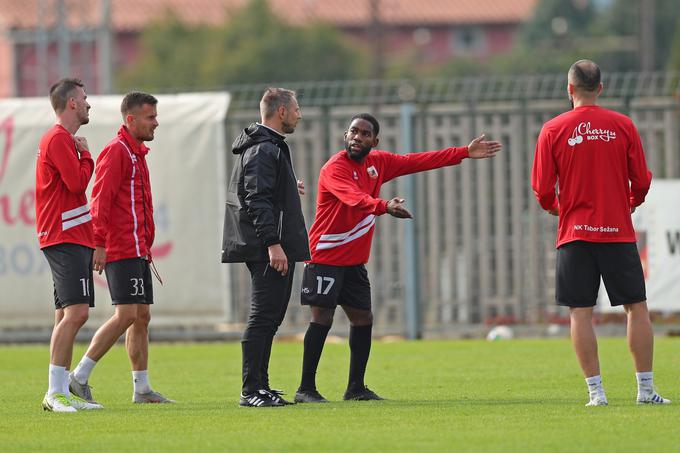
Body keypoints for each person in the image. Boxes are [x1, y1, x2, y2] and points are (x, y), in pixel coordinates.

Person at [294, 113, 501, 403]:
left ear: (374, 141)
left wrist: (464, 153)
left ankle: (355, 389)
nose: (357, 137)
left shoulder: (378, 163)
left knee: (363, 318)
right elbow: (354, 197)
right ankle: (305, 389)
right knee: (322, 317)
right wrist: (383, 206)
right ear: (345, 135)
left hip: (353, 260)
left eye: (365, 134)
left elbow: (416, 161)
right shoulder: (334, 168)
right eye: (353, 131)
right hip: (325, 254)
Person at [531, 59, 670, 407]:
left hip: (575, 234)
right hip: (617, 232)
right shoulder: (623, 125)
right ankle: (646, 391)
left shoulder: (553, 129)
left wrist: (556, 207)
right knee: (636, 308)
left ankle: (597, 394)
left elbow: (543, 188)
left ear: (569, 89)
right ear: (601, 89)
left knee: (580, 311)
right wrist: (630, 202)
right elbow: (641, 180)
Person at [69, 92, 174, 406]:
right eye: (150, 117)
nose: (156, 122)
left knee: (141, 316)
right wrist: (98, 242)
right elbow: (100, 199)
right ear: (131, 119)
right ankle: (79, 376)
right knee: (127, 314)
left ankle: (141, 388)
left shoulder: (136, 153)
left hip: (138, 248)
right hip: (121, 247)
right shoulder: (116, 152)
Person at [222, 87, 309, 407]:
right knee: (262, 318)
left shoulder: (269, 147)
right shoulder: (263, 149)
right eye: (297, 109)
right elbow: (256, 199)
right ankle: (251, 391)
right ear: (281, 112)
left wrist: (288, 187)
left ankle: (262, 386)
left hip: (272, 246)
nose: (300, 114)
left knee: (270, 319)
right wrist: (273, 244)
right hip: (267, 249)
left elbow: (263, 192)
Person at [36, 78, 103, 413]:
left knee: (65, 313)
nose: (89, 103)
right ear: (72, 103)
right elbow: (77, 183)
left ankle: (60, 390)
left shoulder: (61, 139)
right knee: (77, 313)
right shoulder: (59, 138)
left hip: (71, 236)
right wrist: (86, 153)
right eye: (85, 98)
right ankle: (54, 392)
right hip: (63, 236)